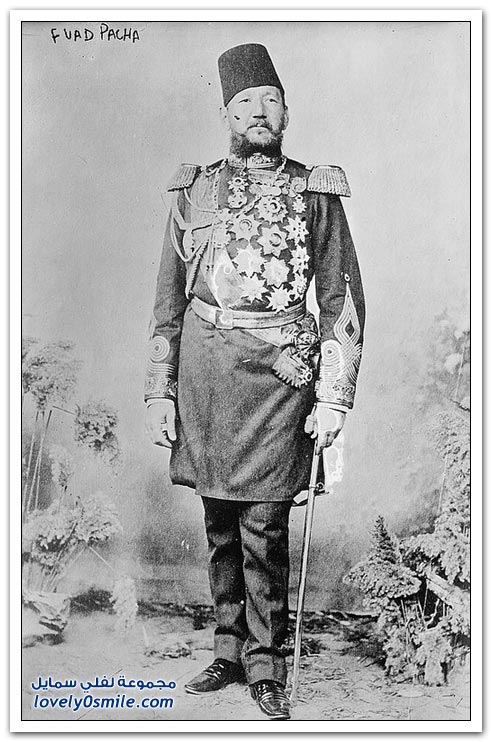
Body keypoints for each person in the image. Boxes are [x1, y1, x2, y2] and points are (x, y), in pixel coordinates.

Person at [145, 43, 365, 721]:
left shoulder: (315, 191)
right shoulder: (195, 190)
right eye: (245, 103)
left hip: (279, 378)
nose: (259, 112)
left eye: (271, 100)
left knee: (264, 526)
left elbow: (342, 301)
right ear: (226, 116)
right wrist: (159, 390)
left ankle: (266, 662)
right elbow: (167, 300)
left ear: (287, 112)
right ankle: (228, 648)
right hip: (206, 374)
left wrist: (334, 397)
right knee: (218, 521)